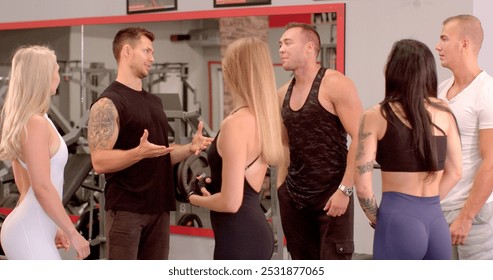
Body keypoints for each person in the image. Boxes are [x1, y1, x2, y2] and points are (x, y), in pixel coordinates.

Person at [87, 27, 212, 260]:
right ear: (126, 51)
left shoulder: (154, 101)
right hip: (126, 210)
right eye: (146, 51)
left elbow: (159, 154)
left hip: (159, 208)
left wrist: (189, 148)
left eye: (152, 52)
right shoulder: (108, 102)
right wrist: (138, 153)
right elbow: (99, 161)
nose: (152, 58)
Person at [354, 39, 462, 260]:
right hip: (436, 222)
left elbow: (363, 187)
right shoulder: (445, 112)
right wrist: (426, 205)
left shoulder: (376, 115)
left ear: (393, 70)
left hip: (398, 221)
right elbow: (456, 171)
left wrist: (378, 219)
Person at [188, 36, 284, 260]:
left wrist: (194, 198)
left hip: (239, 237)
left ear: (233, 71)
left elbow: (231, 202)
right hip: (252, 231)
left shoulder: (235, 123)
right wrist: (212, 188)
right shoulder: (263, 119)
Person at [277, 22, 363, 260]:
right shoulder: (282, 93)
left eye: (287, 43)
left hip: (332, 196)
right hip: (294, 199)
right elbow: (285, 144)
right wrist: (281, 188)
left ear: (309, 47)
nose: (281, 49)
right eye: (280, 44)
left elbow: (360, 138)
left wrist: (345, 190)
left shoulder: (336, 83)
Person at [0, 45, 90, 260]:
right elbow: (41, 187)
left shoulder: (38, 119)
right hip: (27, 231)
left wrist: (54, 225)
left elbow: (25, 186)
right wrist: (72, 232)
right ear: (43, 76)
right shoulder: (35, 123)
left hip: (34, 228)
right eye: (56, 71)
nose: (59, 77)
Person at [436, 14, 493, 259]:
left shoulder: (486, 92)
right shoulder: (440, 90)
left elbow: (491, 162)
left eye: (444, 39)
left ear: (464, 44)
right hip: (438, 211)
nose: (438, 46)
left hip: (472, 217)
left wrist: (466, 217)